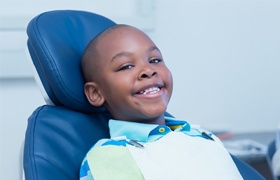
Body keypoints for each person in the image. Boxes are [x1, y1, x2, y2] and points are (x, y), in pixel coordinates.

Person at [79, 24, 243, 179]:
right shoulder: (110, 157)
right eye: (127, 66)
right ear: (96, 93)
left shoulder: (202, 135)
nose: (148, 70)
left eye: (155, 60)